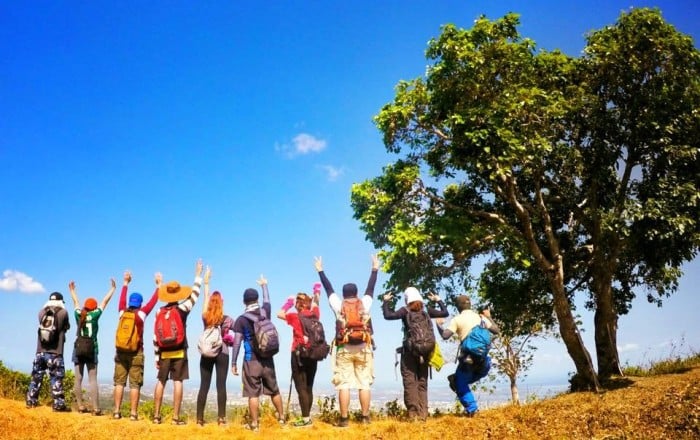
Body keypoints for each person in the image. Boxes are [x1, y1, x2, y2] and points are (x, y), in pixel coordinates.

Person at [314, 254, 379, 427]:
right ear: (356, 293)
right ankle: (365, 418)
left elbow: (328, 289)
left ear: (343, 294)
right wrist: (374, 268)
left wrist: (320, 270)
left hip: (344, 347)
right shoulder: (364, 302)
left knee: (344, 384)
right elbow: (371, 288)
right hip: (364, 346)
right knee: (364, 383)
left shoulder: (337, 304)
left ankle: (344, 419)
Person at [382, 286, 448, 421]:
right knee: (422, 382)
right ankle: (423, 415)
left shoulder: (405, 311)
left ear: (407, 299)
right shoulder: (427, 311)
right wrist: (438, 300)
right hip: (426, 351)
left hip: (410, 351)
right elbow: (445, 312)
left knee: (410, 381)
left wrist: (385, 302)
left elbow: (388, 316)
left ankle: (413, 414)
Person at [231, 274, 286, 432]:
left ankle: (254, 424)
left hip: (251, 361)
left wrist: (234, 363)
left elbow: (236, 342)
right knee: (274, 389)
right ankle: (281, 418)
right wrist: (264, 285)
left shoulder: (241, 320)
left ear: (244, 301)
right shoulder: (265, 312)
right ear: (256, 300)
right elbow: (267, 300)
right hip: (268, 359)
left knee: (252, 394)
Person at [152, 259, 203, 425]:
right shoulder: (182, 308)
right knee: (178, 382)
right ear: (178, 294)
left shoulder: (159, 311)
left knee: (161, 381)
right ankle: (175, 418)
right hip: (180, 350)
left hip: (164, 352)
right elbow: (195, 294)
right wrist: (198, 275)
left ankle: (156, 416)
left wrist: (156, 357)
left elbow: (155, 336)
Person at [435, 295, 499, 417]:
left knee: (457, 382)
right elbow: (496, 330)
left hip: (468, 359)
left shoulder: (457, 319)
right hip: (483, 361)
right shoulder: (481, 318)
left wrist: (438, 324)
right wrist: (489, 317)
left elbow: (445, 335)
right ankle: (471, 408)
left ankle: (472, 410)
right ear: (470, 305)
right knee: (462, 379)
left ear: (458, 307)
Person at [112, 270, 160, 420]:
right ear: (139, 303)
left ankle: (116, 411)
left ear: (130, 303)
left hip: (120, 351)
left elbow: (121, 301)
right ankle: (133, 414)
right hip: (136, 352)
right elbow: (153, 302)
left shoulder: (122, 312)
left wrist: (125, 283)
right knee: (134, 384)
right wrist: (158, 286)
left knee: (119, 382)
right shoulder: (141, 314)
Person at [275, 282, 323, 427]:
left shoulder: (295, 317)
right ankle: (307, 417)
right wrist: (316, 290)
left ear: (298, 304)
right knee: (309, 386)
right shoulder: (315, 314)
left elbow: (279, 314)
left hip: (298, 354)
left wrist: (288, 302)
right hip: (313, 354)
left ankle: (306, 419)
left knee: (300, 387)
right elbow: (316, 300)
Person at [68, 278, 116, 415]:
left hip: (78, 348)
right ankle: (96, 408)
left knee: (78, 378)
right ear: (94, 308)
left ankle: (80, 406)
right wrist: (112, 289)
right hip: (92, 348)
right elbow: (104, 302)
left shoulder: (78, 314)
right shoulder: (95, 315)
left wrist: (72, 290)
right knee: (92, 379)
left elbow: (75, 302)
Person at [195, 266, 235, 427]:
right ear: (222, 303)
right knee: (221, 386)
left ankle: (199, 419)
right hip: (223, 353)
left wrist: (206, 282)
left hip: (206, 353)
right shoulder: (227, 319)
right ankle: (221, 419)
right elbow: (236, 332)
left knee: (204, 385)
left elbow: (205, 298)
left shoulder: (205, 317)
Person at [26, 291, 72, 411]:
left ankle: (31, 401)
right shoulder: (63, 312)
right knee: (56, 378)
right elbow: (67, 327)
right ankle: (58, 405)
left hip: (40, 351)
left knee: (36, 377)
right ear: (61, 301)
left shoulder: (41, 312)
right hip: (55, 353)